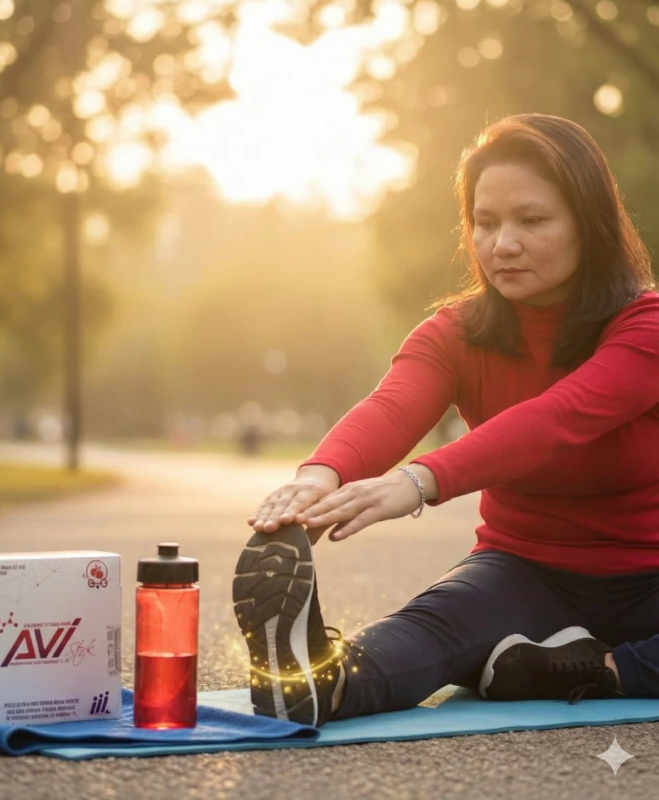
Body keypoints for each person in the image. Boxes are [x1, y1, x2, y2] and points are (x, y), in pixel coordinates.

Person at [232, 113, 659, 728]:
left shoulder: (645, 326)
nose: (502, 244)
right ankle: (315, 680)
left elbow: (558, 417)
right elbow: (391, 405)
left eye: (532, 220)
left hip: (650, 575)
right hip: (524, 571)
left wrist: (418, 481)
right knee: (431, 629)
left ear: (589, 225)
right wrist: (319, 477)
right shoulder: (456, 333)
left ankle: (592, 670)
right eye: (486, 223)